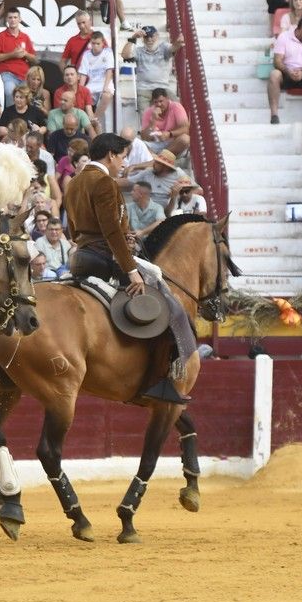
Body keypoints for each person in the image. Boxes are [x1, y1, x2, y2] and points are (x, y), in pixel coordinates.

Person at [63, 132, 194, 405]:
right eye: (122, 157)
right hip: (106, 257)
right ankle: (160, 382)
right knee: (168, 306)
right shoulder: (104, 183)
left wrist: (125, 235)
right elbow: (110, 232)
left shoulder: (74, 183)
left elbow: (74, 230)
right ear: (110, 155)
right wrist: (131, 269)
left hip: (81, 257)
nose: (123, 163)